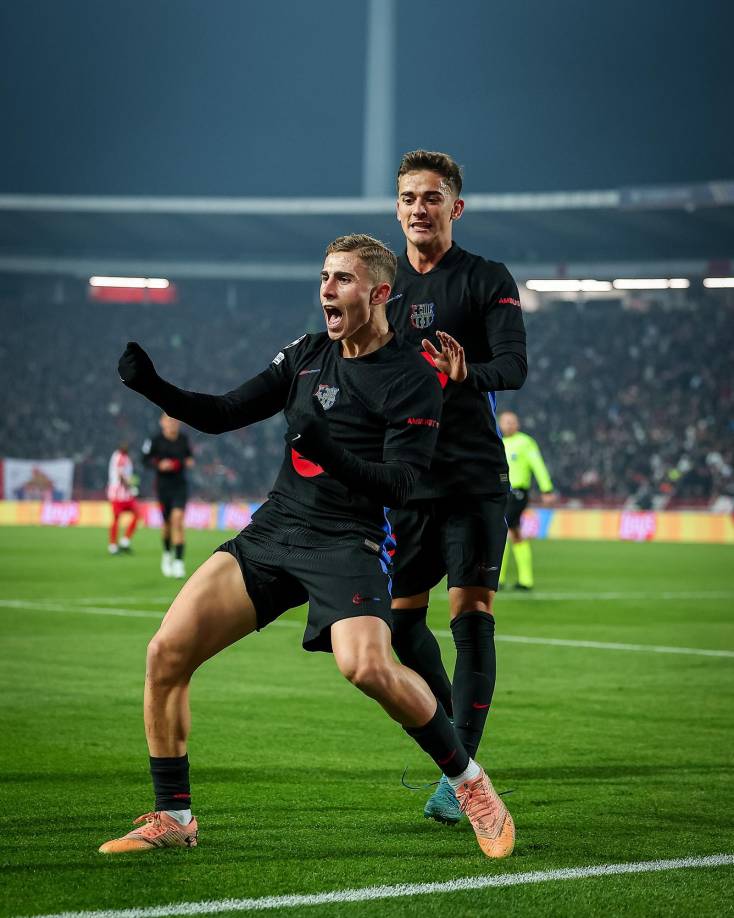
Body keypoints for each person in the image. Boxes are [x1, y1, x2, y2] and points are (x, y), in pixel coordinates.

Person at [98, 234, 514, 860]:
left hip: (350, 539)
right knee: (166, 653)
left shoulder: (412, 377)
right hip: (276, 529)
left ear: (378, 293)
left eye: (342, 278)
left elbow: (402, 483)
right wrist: (153, 386)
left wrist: (331, 454)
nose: (326, 288)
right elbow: (220, 412)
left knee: (367, 667)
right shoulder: (307, 353)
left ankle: (469, 783)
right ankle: (174, 815)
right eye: (324, 276)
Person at [386, 150, 527, 824]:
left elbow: (516, 367)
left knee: (470, 620)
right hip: (411, 480)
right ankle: (455, 750)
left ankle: (460, 776)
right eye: (409, 197)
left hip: (472, 476)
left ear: (455, 208)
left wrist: (470, 372)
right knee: (399, 624)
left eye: (433, 197)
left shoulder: (485, 279)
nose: (420, 207)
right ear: (397, 208)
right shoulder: (383, 288)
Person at [498, 411, 555, 591]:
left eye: (512, 422)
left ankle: (497, 578)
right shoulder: (498, 441)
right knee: (515, 533)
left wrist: (547, 489)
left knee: (502, 528)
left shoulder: (525, 442)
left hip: (517, 493)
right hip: (501, 493)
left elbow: (537, 465)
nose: (508, 425)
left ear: (518, 424)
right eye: (505, 422)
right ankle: (525, 580)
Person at [142, 415, 194, 578]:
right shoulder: (155, 440)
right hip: (163, 487)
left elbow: (189, 458)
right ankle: (166, 554)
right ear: (162, 423)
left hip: (180, 486)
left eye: (175, 420)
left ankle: (179, 562)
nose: (172, 423)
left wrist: (188, 462)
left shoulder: (183, 440)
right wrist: (159, 464)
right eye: (169, 420)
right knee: (167, 524)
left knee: (177, 520)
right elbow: (144, 460)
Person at [107, 442, 141, 554]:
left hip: (124, 494)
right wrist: (131, 487)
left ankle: (124, 541)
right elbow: (121, 475)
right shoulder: (121, 457)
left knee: (137, 514)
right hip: (119, 494)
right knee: (117, 518)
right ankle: (113, 546)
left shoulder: (120, 456)